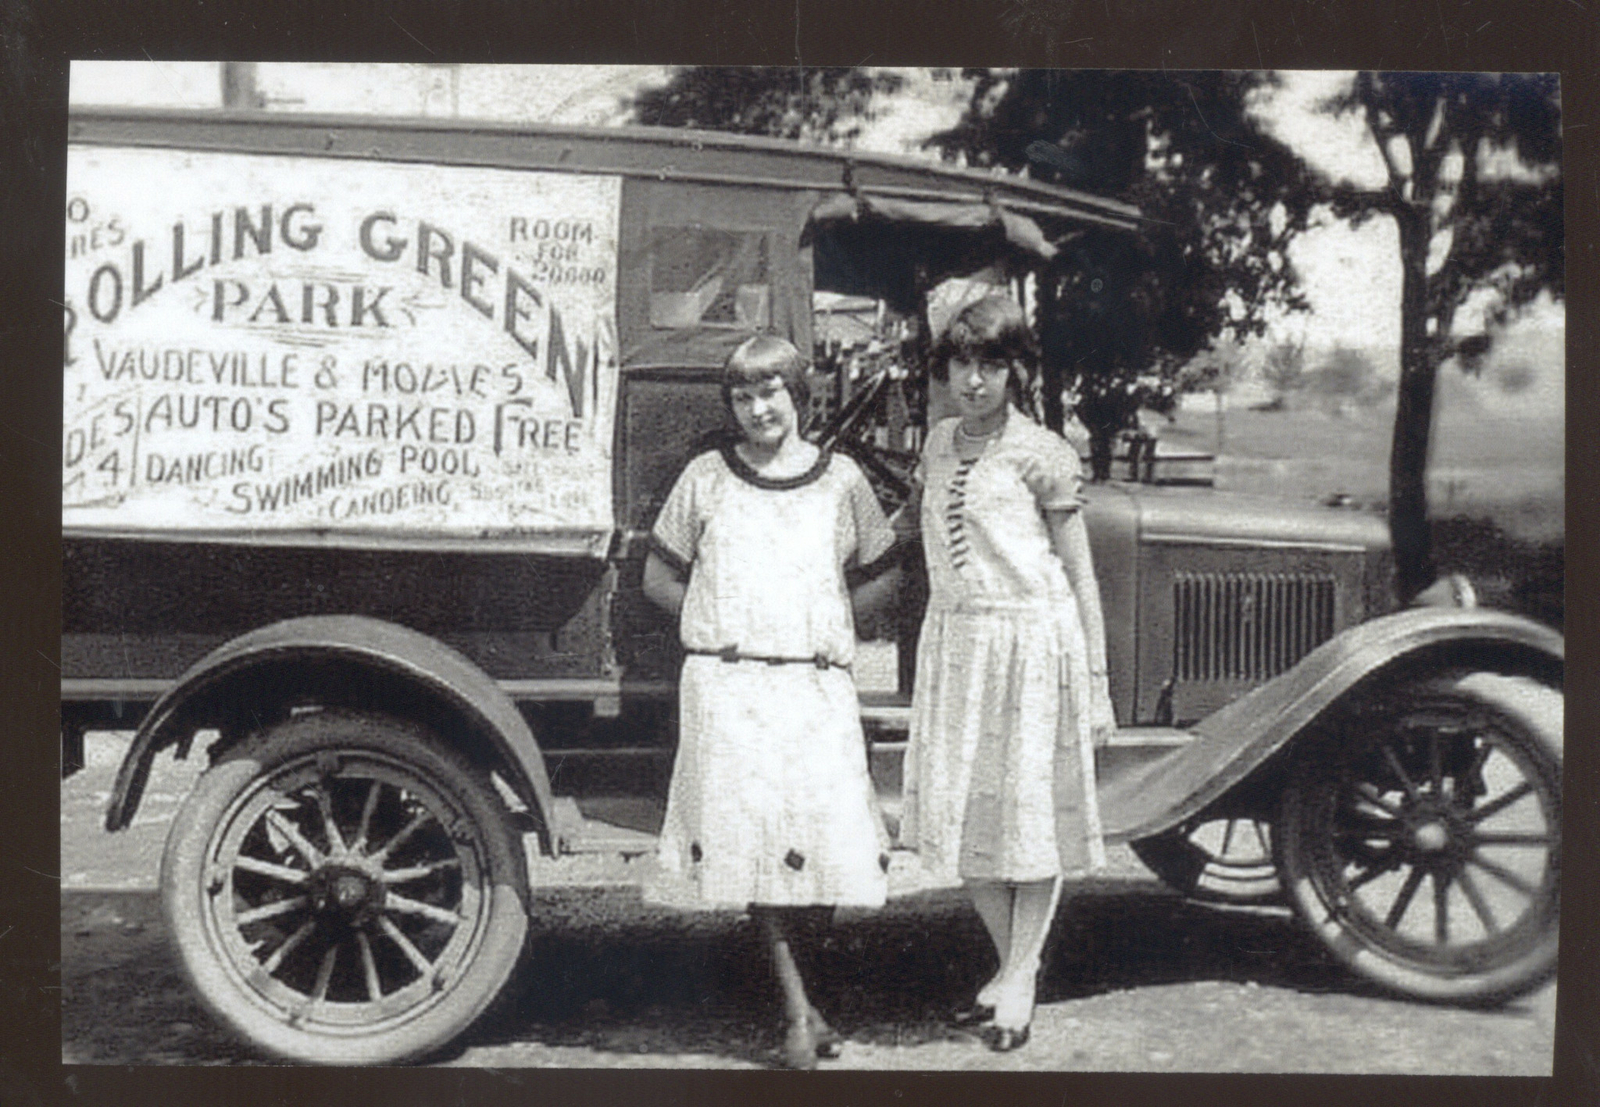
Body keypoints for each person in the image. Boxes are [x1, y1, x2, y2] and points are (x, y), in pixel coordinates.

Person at [640, 334, 902, 1069]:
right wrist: (727, 622)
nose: (759, 409)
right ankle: (795, 1015)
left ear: (800, 394)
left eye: (772, 392)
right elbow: (657, 580)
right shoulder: (707, 477)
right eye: (743, 397)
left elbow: (884, 574)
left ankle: (809, 1008)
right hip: (732, 687)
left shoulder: (841, 479)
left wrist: (824, 616)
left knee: (819, 848)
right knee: (759, 857)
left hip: (814, 686)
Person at [900, 294, 1115, 1052]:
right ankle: (1010, 966)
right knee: (965, 825)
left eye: (992, 363)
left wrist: (1095, 682)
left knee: (1031, 823)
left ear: (1016, 369)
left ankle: (1017, 980)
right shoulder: (933, 444)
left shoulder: (1044, 453)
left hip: (1031, 644)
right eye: (962, 362)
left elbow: (1081, 576)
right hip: (960, 645)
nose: (976, 380)